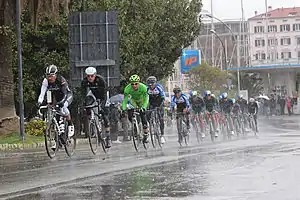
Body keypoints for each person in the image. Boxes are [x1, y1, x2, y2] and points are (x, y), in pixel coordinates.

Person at [37, 65, 74, 149]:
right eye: (48, 76)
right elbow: (42, 93)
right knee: (55, 117)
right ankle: (57, 140)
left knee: (63, 107)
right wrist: (39, 102)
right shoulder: (45, 81)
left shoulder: (60, 80)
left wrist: (61, 102)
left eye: (51, 76)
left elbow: (65, 93)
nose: (49, 78)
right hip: (56, 98)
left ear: (55, 75)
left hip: (67, 96)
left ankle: (70, 124)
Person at [81, 67, 111, 148]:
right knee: (87, 103)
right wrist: (85, 105)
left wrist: (101, 104)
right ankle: (91, 118)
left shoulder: (100, 80)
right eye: (88, 76)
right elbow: (83, 94)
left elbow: (104, 94)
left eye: (92, 76)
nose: (90, 78)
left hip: (103, 95)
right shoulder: (85, 81)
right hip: (93, 94)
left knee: (104, 112)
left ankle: (108, 138)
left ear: (95, 75)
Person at [121, 74, 149, 143]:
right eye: (132, 84)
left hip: (142, 101)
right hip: (134, 101)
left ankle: (145, 134)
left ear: (138, 83)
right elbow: (125, 100)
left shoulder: (143, 87)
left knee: (143, 116)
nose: (134, 85)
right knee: (130, 114)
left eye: (136, 84)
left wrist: (144, 107)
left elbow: (146, 98)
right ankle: (135, 127)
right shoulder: (127, 89)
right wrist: (123, 109)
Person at [146, 76, 166, 144]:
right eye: (149, 85)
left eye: (152, 84)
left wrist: (160, 105)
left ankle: (162, 135)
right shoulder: (147, 89)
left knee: (161, 118)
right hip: (151, 102)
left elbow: (162, 96)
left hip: (159, 102)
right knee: (147, 114)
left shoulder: (159, 88)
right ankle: (150, 127)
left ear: (155, 83)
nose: (151, 86)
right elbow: (144, 97)